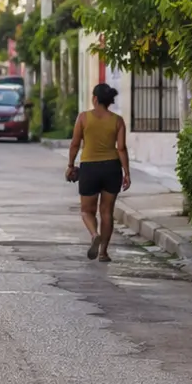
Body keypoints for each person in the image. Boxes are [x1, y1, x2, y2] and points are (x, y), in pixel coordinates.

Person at [66, 83, 131, 262]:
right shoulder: (117, 120)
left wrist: (71, 165)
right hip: (112, 168)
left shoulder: (83, 118)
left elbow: (75, 144)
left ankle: (94, 234)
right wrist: (126, 173)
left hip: (90, 168)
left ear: (94, 99)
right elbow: (121, 148)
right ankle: (103, 252)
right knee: (107, 212)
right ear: (109, 101)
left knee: (87, 211)